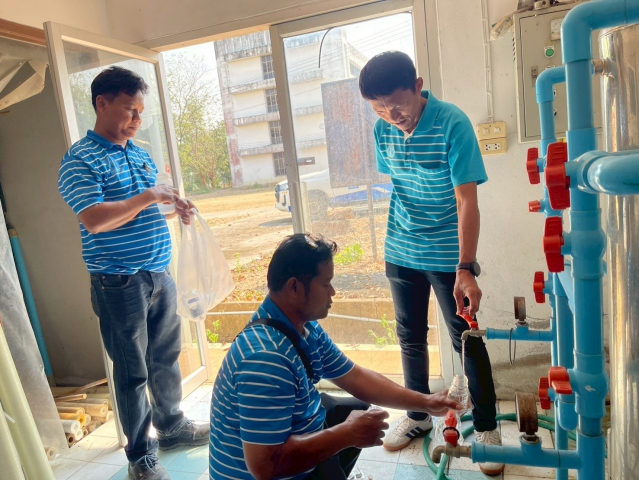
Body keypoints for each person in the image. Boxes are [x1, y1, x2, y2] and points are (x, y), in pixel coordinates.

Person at [58, 66, 208, 480]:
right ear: (101, 104)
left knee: (165, 359)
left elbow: (146, 207)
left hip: (159, 274)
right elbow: (94, 219)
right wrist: (148, 196)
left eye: (141, 111)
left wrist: (173, 208)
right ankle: (140, 456)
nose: (138, 119)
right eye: (130, 110)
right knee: (133, 372)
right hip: (118, 282)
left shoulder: (138, 153)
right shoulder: (80, 160)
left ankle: (172, 427)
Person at [209, 234, 462, 480]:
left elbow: (356, 377)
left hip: (290, 445)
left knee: (357, 411)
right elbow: (265, 467)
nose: (333, 292)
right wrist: (346, 435)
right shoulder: (265, 359)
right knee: (352, 427)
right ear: (294, 287)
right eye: (326, 283)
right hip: (267, 470)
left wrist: (425, 402)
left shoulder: (303, 328)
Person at [358, 51, 504, 475]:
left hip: (447, 254)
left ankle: (487, 427)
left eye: (397, 105)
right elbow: (401, 183)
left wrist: (465, 267)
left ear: (418, 86)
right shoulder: (382, 131)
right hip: (401, 248)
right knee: (409, 336)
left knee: (466, 338)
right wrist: (386, 118)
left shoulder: (452, 123)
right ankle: (419, 415)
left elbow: (466, 201)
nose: (392, 117)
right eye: (379, 109)